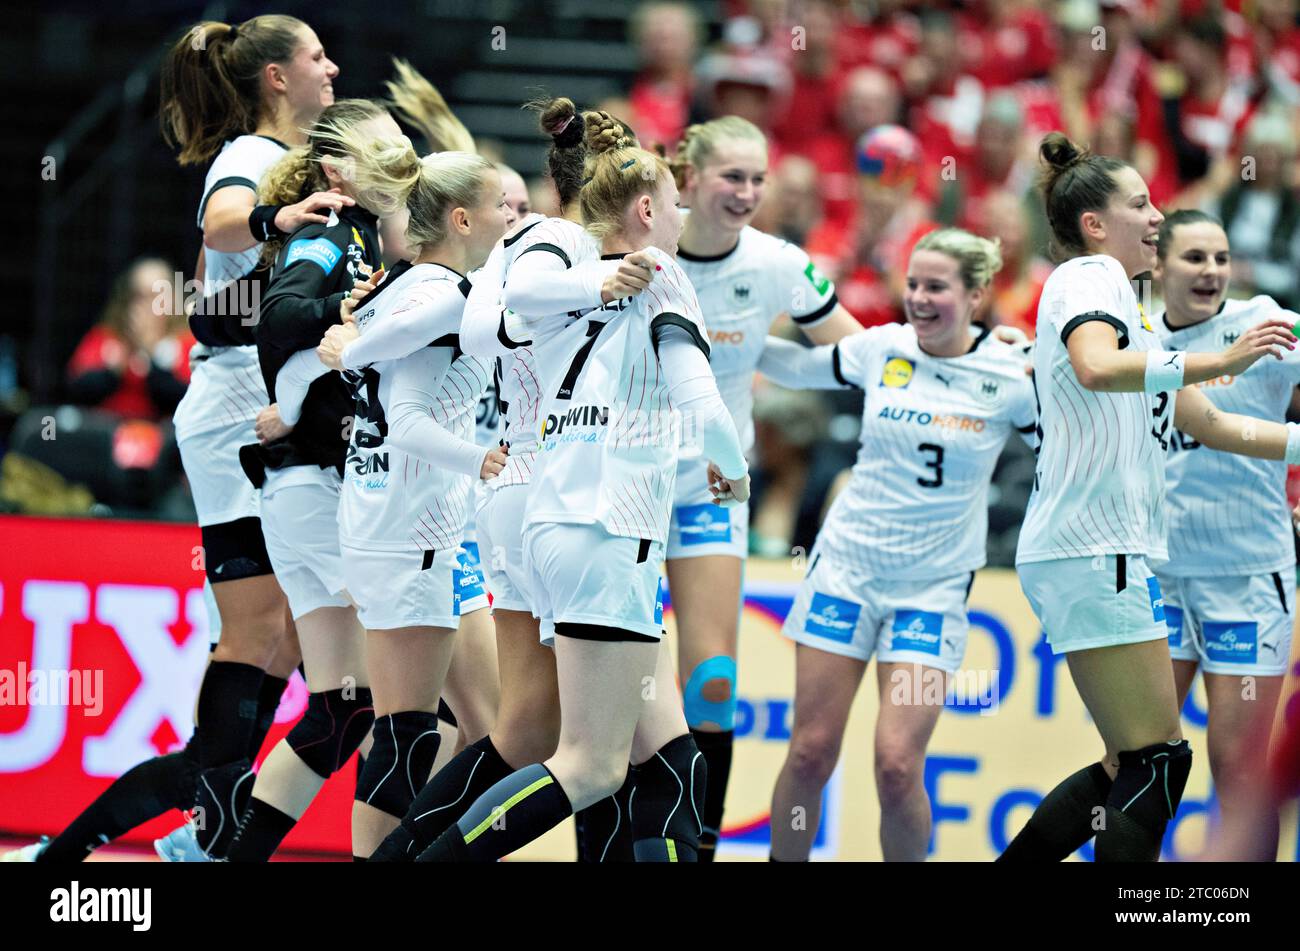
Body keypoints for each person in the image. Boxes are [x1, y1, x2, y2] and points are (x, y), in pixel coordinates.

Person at [3, 15, 344, 865]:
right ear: (274, 77)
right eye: (313, 56)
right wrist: (275, 223)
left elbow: (208, 298)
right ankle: (157, 830)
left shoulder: (297, 166)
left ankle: (202, 817)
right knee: (262, 629)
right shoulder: (252, 163)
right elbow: (227, 222)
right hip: (236, 412)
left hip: (260, 399)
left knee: (296, 636)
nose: (331, 66)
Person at [418, 125, 750, 864]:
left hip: (549, 521)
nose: (681, 218)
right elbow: (702, 398)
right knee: (588, 766)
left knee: (669, 763)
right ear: (640, 209)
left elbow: (499, 314)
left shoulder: (555, 278)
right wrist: (735, 468)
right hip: (608, 524)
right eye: (673, 204)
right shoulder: (652, 267)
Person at [368, 100, 659, 862]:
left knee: (523, 731)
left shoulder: (516, 254)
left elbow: (446, 324)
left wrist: (355, 336)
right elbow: (504, 318)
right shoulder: (564, 246)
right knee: (616, 758)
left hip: (519, 495)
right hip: (566, 493)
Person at [1000, 132, 1300, 863]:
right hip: (1096, 547)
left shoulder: (1126, 308)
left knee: (1132, 763)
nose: (1157, 215)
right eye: (1141, 203)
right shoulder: (1089, 279)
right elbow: (1097, 367)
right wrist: (1225, 357)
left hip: (1098, 550)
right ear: (1097, 224)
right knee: (1157, 762)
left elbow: (1216, 422)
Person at [762, 229, 1037, 861]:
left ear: (976, 294)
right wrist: (727, 336)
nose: (917, 297)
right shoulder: (882, 347)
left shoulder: (1010, 373)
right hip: (846, 573)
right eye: (912, 283)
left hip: (931, 590)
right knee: (809, 751)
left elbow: (1066, 451)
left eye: (935, 287)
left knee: (895, 763)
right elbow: (792, 365)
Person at [271, 147, 512, 859]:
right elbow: (391, 392)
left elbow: (343, 352)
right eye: (503, 204)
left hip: (384, 521)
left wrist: (305, 389)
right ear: (464, 217)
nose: (513, 216)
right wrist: (481, 459)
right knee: (409, 730)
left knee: (458, 728)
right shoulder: (445, 295)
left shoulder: (405, 285)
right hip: (413, 529)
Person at [665, 114, 862, 859]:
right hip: (618, 489)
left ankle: (699, 847)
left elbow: (855, 351)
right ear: (689, 177)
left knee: (712, 682)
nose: (747, 192)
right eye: (731, 177)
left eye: (757, 178)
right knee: (617, 691)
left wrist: (967, 351)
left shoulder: (780, 261)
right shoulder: (637, 247)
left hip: (713, 487)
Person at [222, 99, 401, 862]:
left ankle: (231, 858)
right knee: (395, 703)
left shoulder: (377, 238)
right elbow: (283, 315)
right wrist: (352, 304)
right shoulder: (335, 238)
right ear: (336, 171)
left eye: (401, 142)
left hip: (315, 484)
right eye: (380, 148)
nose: (400, 154)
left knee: (345, 709)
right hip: (315, 485)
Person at [1152, 209, 1300, 860]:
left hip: (1246, 576)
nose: (1211, 270)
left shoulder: (1264, 320)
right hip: (1159, 576)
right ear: (1156, 267)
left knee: (1237, 771)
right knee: (1143, 764)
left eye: (1220, 257)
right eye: (1194, 258)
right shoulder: (1131, 342)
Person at [65, 257, 193, 422]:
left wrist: (150, 353)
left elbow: (187, 401)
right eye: (139, 296)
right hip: (108, 437)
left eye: (157, 295)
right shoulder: (105, 339)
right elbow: (77, 392)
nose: (147, 305)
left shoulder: (188, 344)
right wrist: (115, 369)